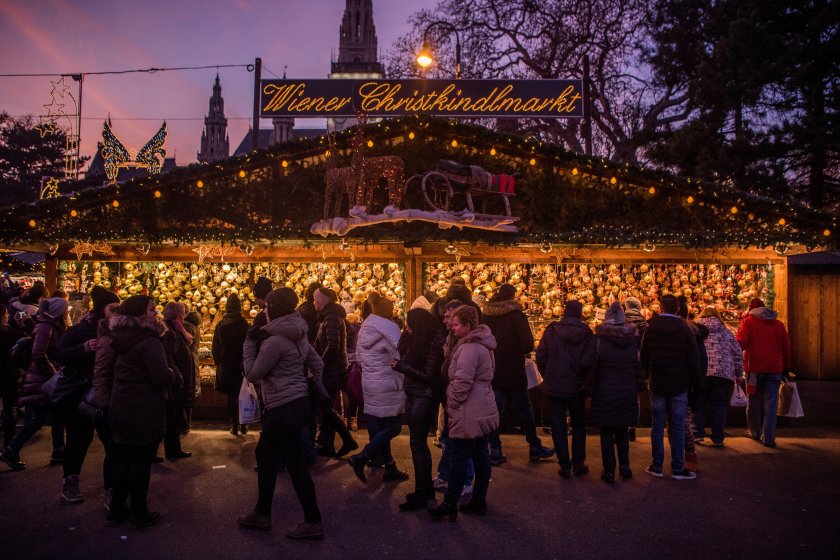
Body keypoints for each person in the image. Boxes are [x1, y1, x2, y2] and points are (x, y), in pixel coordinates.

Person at [237, 288, 324, 540]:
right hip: (297, 403)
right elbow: (317, 364)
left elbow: (252, 373)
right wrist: (306, 385)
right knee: (279, 457)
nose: (264, 311)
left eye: (266, 308)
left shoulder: (274, 341)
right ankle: (265, 513)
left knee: (278, 459)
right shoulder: (298, 336)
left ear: (273, 309)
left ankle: (306, 519)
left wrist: (249, 343)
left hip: (283, 406)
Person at [107, 295, 176, 528]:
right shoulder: (149, 341)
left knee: (124, 458)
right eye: (151, 310)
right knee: (141, 461)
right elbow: (160, 376)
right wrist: (173, 375)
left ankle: (116, 508)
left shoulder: (120, 337)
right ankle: (138, 511)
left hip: (121, 403)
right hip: (143, 406)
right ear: (139, 315)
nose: (155, 314)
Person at [428, 305, 498, 521]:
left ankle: (450, 503)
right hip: (482, 406)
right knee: (480, 455)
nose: (453, 328)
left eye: (457, 324)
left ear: (468, 326)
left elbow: (462, 382)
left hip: (468, 409)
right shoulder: (483, 344)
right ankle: (479, 500)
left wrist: (452, 403)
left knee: (459, 457)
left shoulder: (469, 349)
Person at [54, 286, 120, 503]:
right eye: (113, 307)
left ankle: (112, 490)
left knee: (112, 444)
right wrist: (83, 348)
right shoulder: (79, 331)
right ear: (103, 309)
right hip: (79, 397)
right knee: (78, 441)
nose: (117, 310)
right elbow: (59, 355)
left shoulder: (117, 331)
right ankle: (70, 483)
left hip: (105, 396)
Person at [482, 284, 553, 465]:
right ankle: (534, 446)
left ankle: (494, 448)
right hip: (514, 370)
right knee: (525, 410)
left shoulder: (486, 317)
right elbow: (527, 344)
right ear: (512, 297)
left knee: (493, 411)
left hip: (493, 370)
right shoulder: (517, 316)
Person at [1, 296, 68, 471]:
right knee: (40, 417)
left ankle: (58, 451)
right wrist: (52, 374)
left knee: (56, 412)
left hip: (46, 376)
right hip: (42, 378)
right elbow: (38, 353)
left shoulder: (49, 324)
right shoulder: (47, 326)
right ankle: (11, 449)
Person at [347, 292, 408, 484]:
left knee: (382, 427)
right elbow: (400, 354)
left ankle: (389, 466)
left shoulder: (366, 328)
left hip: (371, 383)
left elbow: (360, 357)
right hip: (387, 383)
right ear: (388, 313)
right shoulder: (390, 331)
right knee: (394, 426)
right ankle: (362, 456)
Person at [640, 294, 701, 480]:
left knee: (657, 425)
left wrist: (648, 374)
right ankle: (677, 467)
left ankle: (657, 466)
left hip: (658, 382)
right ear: (677, 308)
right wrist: (697, 385)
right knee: (677, 425)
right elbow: (693, 359)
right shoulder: (685, 329)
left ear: (660, 308)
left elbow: (644, 354)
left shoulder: (652, 327)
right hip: (679, 383)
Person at [392, 307, 445, 511]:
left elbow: (428, 375)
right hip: (413, 393)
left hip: (424, 395)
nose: (407, 326)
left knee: (418, 444)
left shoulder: (432, 343)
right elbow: (404, 353)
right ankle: (423, 490)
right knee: (416, 444)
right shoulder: (415, 340)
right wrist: (405, 337)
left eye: (409, 323)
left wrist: (401, 367)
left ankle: (424, 492)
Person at [536, 300, 595, 478]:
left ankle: (565, 465)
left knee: (558, 425)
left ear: (563, 312)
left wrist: (547, 373)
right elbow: (589, 360)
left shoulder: (551, 330)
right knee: (578, 425)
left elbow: (541, 355)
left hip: (554, 385)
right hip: (576, 386)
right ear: (580, 313)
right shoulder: (586, 333)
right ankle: (578, 463)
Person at [585, 302, 643, 483]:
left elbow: (589, 363)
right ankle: (625, 467)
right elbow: (638, 367)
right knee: (622, 431)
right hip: (626, 390)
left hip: (605, 390)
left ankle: (609, 470)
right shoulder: (633, 341)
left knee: (607, 432)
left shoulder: (599, 340)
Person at [433, 300, 475, 495]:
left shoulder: (466, 344)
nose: (445, 320)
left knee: (461, 442)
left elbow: (463, 378)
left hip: (459, 400)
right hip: (451, 396)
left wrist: (454, 400)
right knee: (449, 439)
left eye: (449, 317)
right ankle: (445, 474)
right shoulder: (452, 337)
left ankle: (465, 481)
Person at [737, 298, 791, 448]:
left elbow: (741, 343)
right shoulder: (779, 325)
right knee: (771, 403)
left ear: (751, 310)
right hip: (774, 369)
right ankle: (768, 437)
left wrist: (735, 360)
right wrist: (786, 367)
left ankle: (754, 431)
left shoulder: (748, 322)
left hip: (754, 369)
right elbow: (786, 348)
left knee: (753, 400)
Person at [312, 287, 357, 458]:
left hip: (332, 370)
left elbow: (332, 346)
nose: (314, 303)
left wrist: (319, 364)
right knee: (325, 407)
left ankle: (347, 440)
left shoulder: (330, 318)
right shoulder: (329, 317)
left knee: (325, 407)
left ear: (323, 302)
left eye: (316, 300)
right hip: (333, 368)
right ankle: (327, 444)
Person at [695, 307, 744, 447]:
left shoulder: (695, 330)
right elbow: (737, 353)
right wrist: (739, 373)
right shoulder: (727, 332)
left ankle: (698, 433)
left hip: (701, 372)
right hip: (723, 374)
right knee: (719, 405)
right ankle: (717, 437)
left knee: (698, 403)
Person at [93, 301, 122, 511]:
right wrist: (104, 405)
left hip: (123, 402)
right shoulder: (108, 342)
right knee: (114, 451)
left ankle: (120, 494)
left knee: (122, 451)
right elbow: (101, 375)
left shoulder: (123, 340)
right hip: (112, 404)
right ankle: (112, 494)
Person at [212, 293, 249, 436]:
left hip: (227, 364)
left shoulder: (221, 324)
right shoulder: (244, 324)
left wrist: (218, 363)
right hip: (241, 364)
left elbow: (216, 347)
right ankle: (244, 423)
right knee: (243, 394)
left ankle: (234, 424)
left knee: (232, 396)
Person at [160, 302, 193, 460]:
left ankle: (173, 449)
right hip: (175, 382)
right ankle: (172, 451)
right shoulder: (171, 331)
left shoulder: (175, 329)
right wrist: (177, 377)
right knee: (171, 418)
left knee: (172, 417)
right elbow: (169, 356)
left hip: (176, 379)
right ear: (179, 314)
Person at [622, 296, 648, 441]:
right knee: (635, 397)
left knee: (620, 394)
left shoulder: (620, 323)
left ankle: (621, 425)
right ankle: (632, 427)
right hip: (638, 364)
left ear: (625, 307)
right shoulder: (645, 325)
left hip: (622, 363)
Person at [0, 304, 25, 451]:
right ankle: (8, 443)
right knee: (10, 407)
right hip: (8, 373)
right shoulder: (9, 332)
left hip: (7, 372)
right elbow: (23, 342)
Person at [182, 311, 202, 434]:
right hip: (194, 357)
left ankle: (184, 424)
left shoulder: (186, 326)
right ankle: (187, 423)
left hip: (187, 359)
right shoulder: (196, 326)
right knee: (190, 389)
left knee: (185, 389)